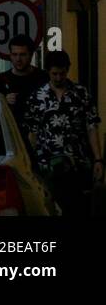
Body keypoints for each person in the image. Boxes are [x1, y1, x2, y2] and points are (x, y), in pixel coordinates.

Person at [25, 50, 102, 216]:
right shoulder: (37, 97)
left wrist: (98, 159)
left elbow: (92, 127)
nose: (59, 78)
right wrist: (30, 165)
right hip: (47, 165)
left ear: (68, 70)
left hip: (77, 164)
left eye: (62, 73)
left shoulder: (81, 94)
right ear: (48, 72)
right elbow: (32, 133)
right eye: (54, 74)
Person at [0, 34, 48, 132]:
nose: (18, 59)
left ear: (31, 54)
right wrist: (3, 102)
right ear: (10, 55)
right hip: (10, 135)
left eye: (22, 54)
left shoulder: (44, 78)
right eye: (14, 54)